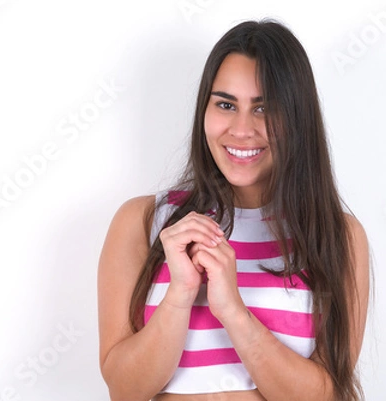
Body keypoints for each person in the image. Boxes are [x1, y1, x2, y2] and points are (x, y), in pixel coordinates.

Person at [98, 18, 371, 401]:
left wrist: (232, 311)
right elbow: (123, 390)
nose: (241, 130)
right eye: (226, 104)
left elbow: (323, 395)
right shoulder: (144, 222)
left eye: (264, 109)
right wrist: (181, 292)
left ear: (297, 118)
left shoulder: (336, 235)